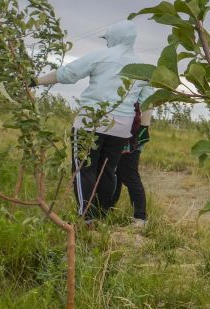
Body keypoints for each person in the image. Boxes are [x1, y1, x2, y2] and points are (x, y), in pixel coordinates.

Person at [34, 20, 154, 226]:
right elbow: (148, 101)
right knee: (108, 170)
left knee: (84, 168)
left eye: (108, 38)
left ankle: (86, 217)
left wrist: (35, 81)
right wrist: (144, 128)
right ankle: (102, 215)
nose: (107, 42)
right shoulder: (141, 68)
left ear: (114, 37)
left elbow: (67, 74)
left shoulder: (100, 56)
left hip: (91, 122)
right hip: (121, 127)